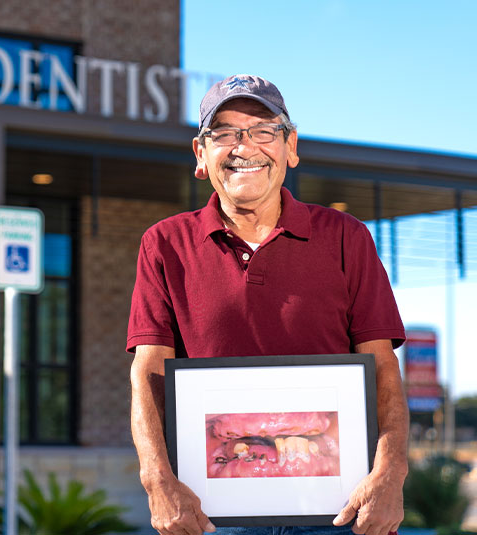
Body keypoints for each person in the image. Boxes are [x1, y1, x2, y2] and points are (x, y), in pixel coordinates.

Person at [127, 74, 408, 535]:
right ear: (201, 154)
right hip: (212, 515)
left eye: (263, 131)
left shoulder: (346, 237)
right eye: (225, 134)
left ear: (291, 146)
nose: (245, 147)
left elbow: (382, 369)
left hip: (339, 509)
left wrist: (392, 473)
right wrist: (156, 479)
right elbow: (148, 374)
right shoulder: (164, 244)